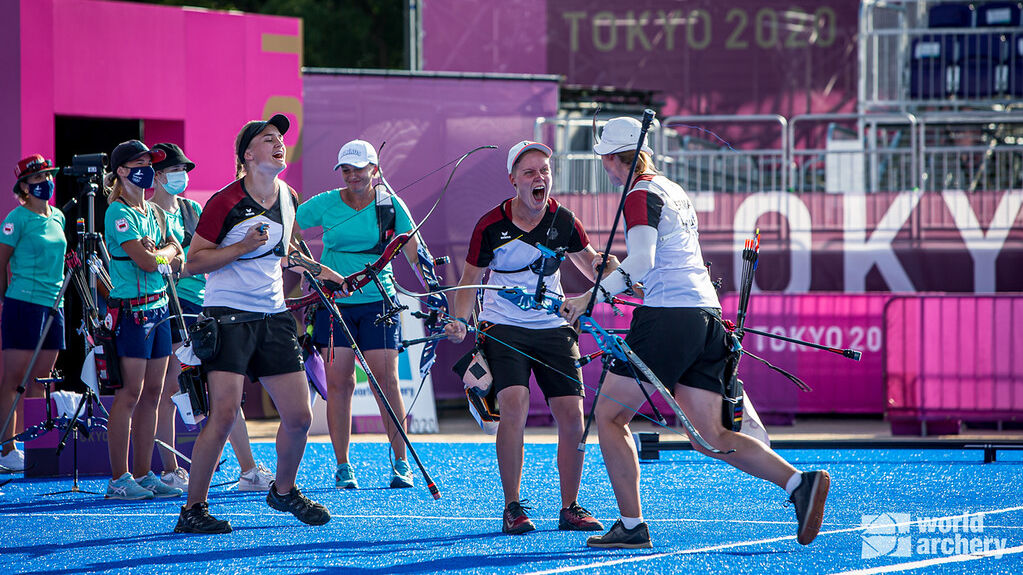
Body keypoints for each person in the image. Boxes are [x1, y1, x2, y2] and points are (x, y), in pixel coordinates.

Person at [560, 116, 831, 549]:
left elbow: (644, 261)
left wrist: (587, 299)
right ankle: (799, 483)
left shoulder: (639, 192)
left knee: (610, 417)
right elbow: (658, 264)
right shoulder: (673, 189)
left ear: (612, 159)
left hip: (669, 319)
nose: (606, 168)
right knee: (710, 437)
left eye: (605, 161)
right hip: (705, 315)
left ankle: (631, 526)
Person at [175, 114, 343, 534]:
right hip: (227, 317)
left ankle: (283, 491)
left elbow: (286, 253)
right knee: (225, 413)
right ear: (248, 155)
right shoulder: (223, 201)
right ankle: (193, 509)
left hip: (273, 317)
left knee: (300, 417)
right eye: (268, 139)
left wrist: (324, 272)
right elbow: (190, 264)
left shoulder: (288, 196)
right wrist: (241, 247)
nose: (279, 143)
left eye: (280, 138)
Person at [443, 141, 610, 535]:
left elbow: (593, 265)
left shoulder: (564, 220)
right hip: (503, 326)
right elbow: (469, 282)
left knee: (573, 414)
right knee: (514, 403)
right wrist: (460, 322)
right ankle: (512, 506)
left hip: (553, 326)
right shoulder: (490, 225)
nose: (540, 178)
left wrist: (616, 269)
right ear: (513, 180)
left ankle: (569, 507)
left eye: (545, 171)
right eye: (530, 172)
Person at [148, 143, 274, 493]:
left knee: (222, 391)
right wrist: (182, 262)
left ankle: (248, 471)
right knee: (172, 389)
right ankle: (171, 471)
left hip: (205, 307)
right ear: (156, 176)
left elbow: (208, 254)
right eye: (174, 170)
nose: (181, 176)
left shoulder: (191, 209)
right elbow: (161, 263)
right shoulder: (146, 213)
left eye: (184, 170)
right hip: (169, 307)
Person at [295, 139, 418, 490]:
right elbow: (288, 225)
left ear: (374, 171)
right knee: (340, 384)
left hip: (379, 302)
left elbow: (413, 248)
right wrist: (309, 264)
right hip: (334, 304)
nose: (352, 176)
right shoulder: (327, 203)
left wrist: (435, 293)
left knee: (386, 382)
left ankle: (400, 462)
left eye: (359, 169)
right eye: (346, 170)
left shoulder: (389, 204)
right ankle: (343, 465)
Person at [102, 140, 184, 500]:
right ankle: (119, 478)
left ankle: (144, 473)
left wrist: (162, 253)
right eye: (139, 163)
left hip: (160, 309)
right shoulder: (117, 213)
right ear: (121, 170)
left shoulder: (154, 212)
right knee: (130, 394)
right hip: (132, 311)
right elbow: (149, 262)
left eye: (149, 162)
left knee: (153, 393)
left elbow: (175, 251)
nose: (147, 169)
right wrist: (163, 254)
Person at [0, 155, 66, 472]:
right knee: (14, 380)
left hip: (55, 304)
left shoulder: (58, 217)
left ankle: (35, 446)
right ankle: (7, 448)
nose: (44, 183)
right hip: (23, 303)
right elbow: (1, 262)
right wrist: (5, 299)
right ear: (24, 186)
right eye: (36, 179)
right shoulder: (16, 219)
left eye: (47, 177)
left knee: (41, 381)